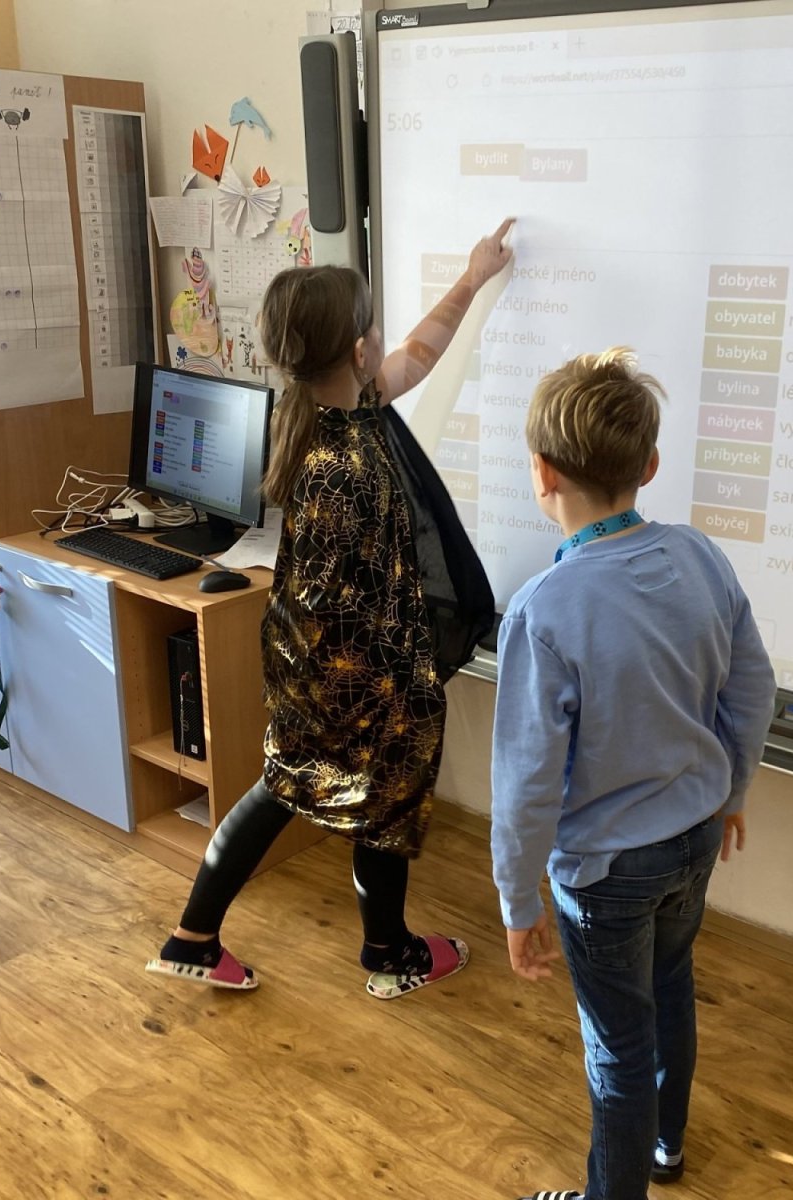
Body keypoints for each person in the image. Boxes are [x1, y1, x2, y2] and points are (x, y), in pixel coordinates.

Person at [147, 219, 514, 998]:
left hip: (311, 665)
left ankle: (193, 937)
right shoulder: (343, 464)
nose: (385, 338)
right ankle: (388, 955)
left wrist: (473, 277)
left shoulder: (327, 409)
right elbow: (340, 595)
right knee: (383, 797)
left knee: (285, 785)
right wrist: (391, 689)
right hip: (356, 672)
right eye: (373, 326)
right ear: (357, 351)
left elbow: (419, 352)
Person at [490, 349, 778, 1200]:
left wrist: (517, 902)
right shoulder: (700, 556)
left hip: (606, 872)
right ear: (648, 466)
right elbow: (754, 690)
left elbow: (525, 783)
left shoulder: (544, 610)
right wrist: (732, 791)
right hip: (694, 839)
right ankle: (665, 1147)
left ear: (542, 473)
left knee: (617, 1044)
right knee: (669, 987)